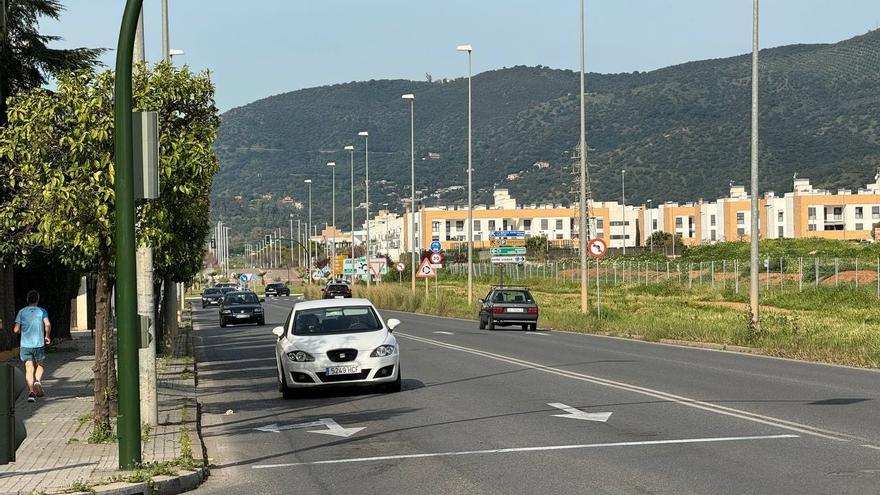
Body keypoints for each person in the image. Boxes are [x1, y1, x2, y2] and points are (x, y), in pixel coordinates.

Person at [13, 290, 51, 403]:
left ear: (27, 300)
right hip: (38, 344)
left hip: (25, 345)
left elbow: (15, 330)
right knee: (40, 365)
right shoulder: (42, 311)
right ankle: (38, 381)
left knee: (29, 368)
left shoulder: (22, 312)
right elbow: (47, 324)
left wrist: (21, 331)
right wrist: (47, 336)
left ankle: (31, 392)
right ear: (37, 300)